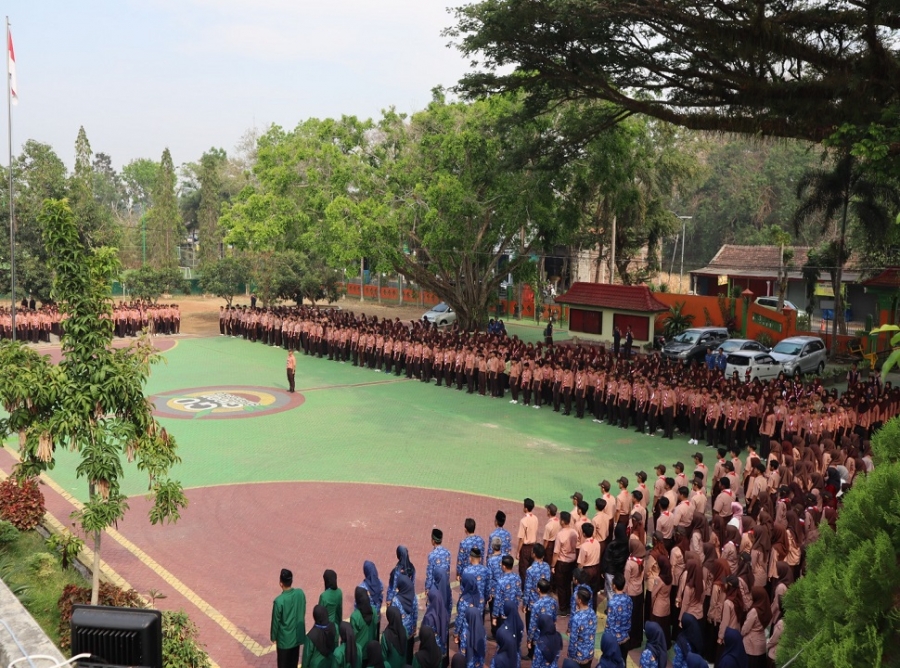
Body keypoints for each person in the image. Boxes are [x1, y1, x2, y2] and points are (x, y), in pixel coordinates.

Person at [271, 568, 307, 668]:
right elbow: (303, 609)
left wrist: (273, 637)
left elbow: (275, 621)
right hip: (297, 638)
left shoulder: (279, 601)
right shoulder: (300, 593)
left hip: (284, 641)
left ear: (280, 583)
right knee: (293, 663)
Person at [388, 574, 417, 662]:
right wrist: (414, 628)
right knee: (409, 656)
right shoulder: (413, 597)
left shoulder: (396, 600)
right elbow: (415, 614)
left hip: (400, 634)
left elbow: (393, 618)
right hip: (410, 632)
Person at [567, 587, 597, 668]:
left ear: (579, 600)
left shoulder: (576, 618)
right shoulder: (592, 613)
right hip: (590, 652)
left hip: (579, 656)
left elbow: (573, 640)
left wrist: (570, 655)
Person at [605, 573, 632, 647]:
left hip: (614, 640)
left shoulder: (612, 602)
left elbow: (609, 623)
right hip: (626, 637)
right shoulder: (628, 599)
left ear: (614, 586)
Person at [517, 498, 539, 583]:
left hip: (525, 548)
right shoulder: (535, 518)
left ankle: (524, 589)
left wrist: (518, 551)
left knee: (523, 570)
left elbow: (521, 539)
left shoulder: (523, 521)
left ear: (526, 508)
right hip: (533, 547)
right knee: (531, 568)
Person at [352, 587, 378, 657]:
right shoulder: (374, 611)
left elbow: (353, 635)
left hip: (360, 653)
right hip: (371, 650)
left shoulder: (355, 616)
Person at [319, 569, 343, 635]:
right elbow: (339, 610)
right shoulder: (339, 592)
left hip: (326, 628)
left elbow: (320, 613)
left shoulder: (324, 596)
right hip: (336, 627)